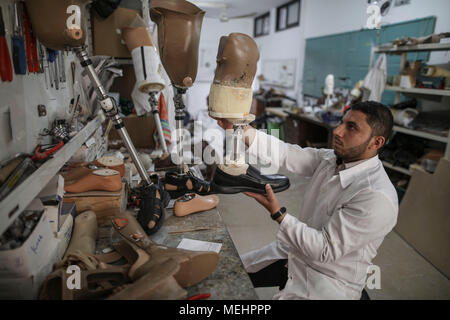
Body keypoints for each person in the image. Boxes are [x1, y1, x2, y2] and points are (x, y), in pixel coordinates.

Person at [212, 101, 398, 300]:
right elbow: (286, 154)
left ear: (376, 142)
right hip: (295, 252)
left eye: (351, 127)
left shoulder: (376, 197)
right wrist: (241, 129)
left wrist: (279, 215)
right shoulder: (331, 160)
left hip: (327, 280)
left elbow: (324, 250)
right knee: (224, 271)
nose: (337, 131)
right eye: (342, 122)